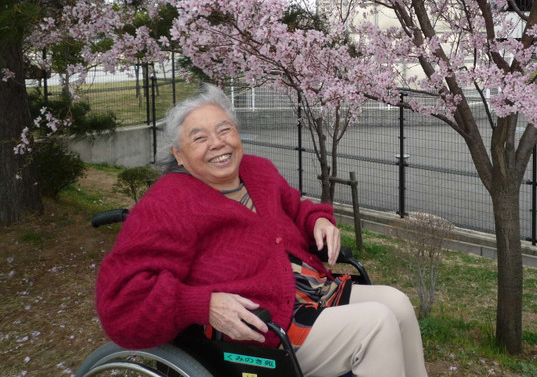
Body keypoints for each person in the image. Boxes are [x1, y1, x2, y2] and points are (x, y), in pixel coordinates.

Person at [96, 84, 428, 377]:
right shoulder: (168, 203)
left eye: (224, 130)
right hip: (263, 326)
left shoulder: (259, 170)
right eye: (199, 138)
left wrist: (319, 221)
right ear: (178, 155)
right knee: (376, 325)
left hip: (307, 291)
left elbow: (297, 208)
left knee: (396, 303)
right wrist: (200, 304)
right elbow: (121, 303)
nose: (217, 143)